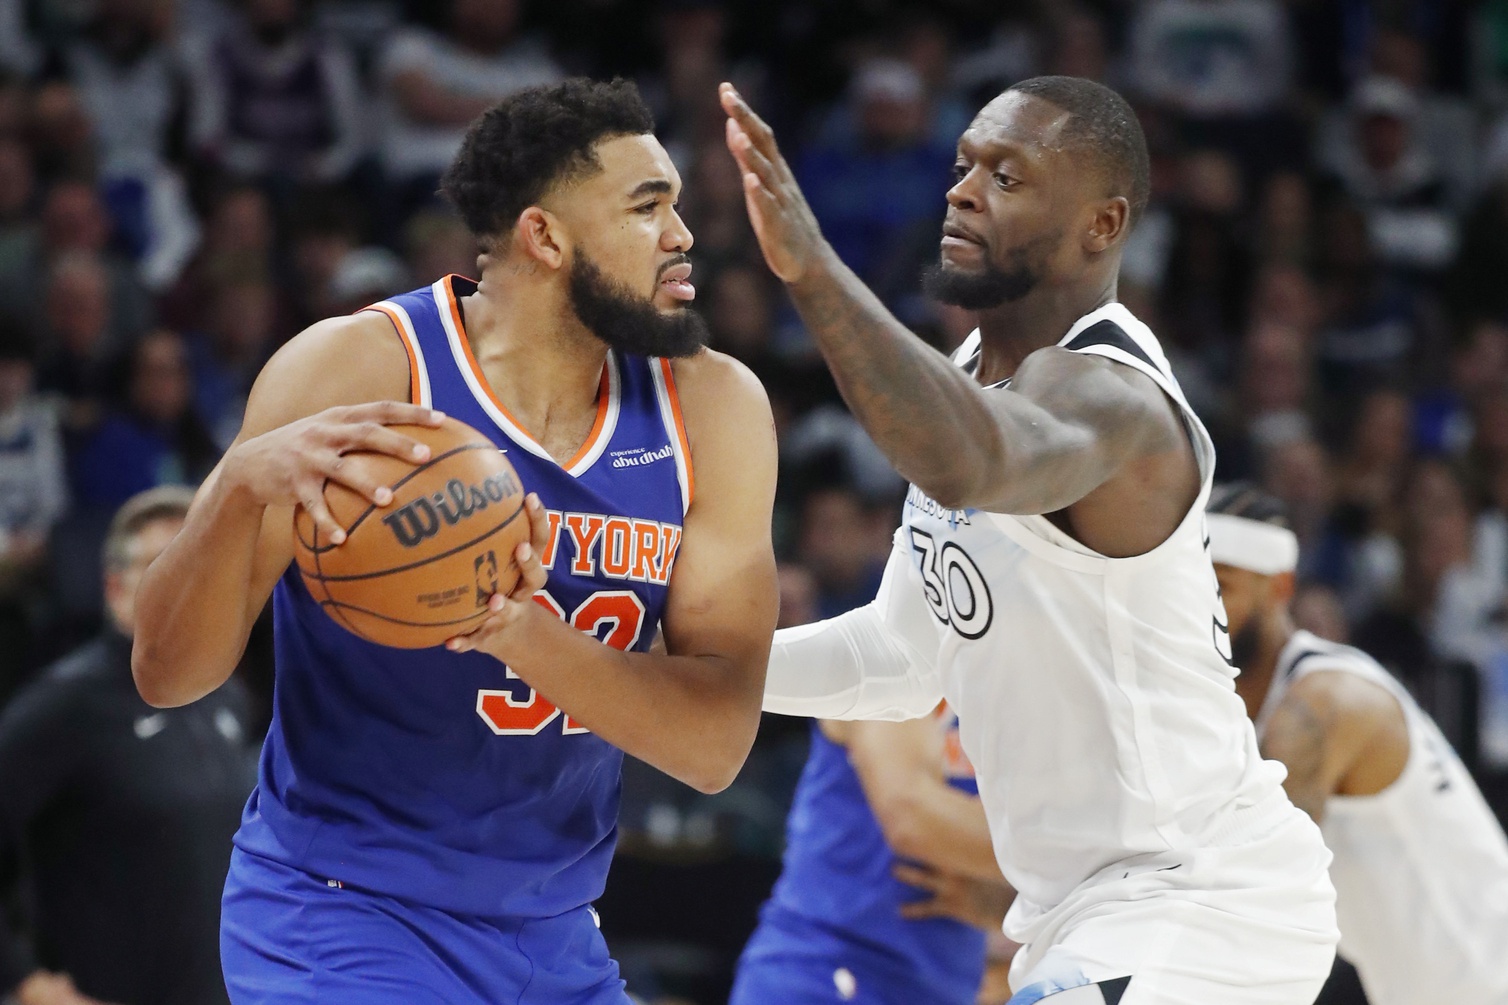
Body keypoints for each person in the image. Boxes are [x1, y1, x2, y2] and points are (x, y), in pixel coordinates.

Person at [132, 78, 778, 1004]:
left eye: (676, 206)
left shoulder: (713, 407)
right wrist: (233, 493)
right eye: (648, 208)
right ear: (545, 236)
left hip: (554, 931)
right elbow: (168, 674)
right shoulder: (361, 368)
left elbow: (714, 746)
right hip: (341, 913)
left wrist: (516, 628)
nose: (684, 236)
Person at [721, 75, 1339, 1002]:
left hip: (1200, 905)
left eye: (1008, 177)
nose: (964, 190)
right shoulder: (972, 378)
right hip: (1082, 915)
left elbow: (974, 463)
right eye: (966, 164)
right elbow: (901, 655)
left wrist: (814, 270)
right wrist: (701, 656)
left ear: (1102, 224)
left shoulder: (1114, 396)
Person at [1207, 482, 1508, 1005]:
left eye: (1221, 587)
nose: (1199, 612)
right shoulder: (1240, 706)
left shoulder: (1326, 703)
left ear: (1279, 587)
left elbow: (1251, 883)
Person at [0, 486, 257, 1005]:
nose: (192, 580)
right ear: (115, 585)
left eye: (201, 560)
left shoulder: (227, 693)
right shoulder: (63, 708)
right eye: (169, 563)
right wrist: (24, 980)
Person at [731, 706, 1012, 1005]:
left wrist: (1009, 902)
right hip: (827, 968)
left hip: (945, 985)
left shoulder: (1026, 696)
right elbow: (911, 816)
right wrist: (1050, 864)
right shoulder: (906, 663)